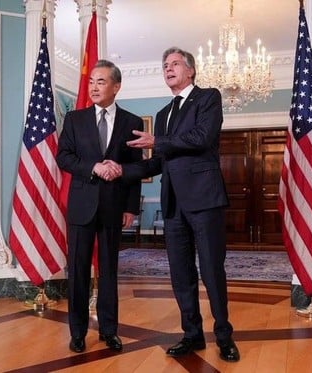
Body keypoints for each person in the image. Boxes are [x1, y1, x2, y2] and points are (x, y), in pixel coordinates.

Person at [123, 47, 240, 362]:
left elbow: (201, 138)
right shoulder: (163, 115)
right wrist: (122, 170)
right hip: (173, 203)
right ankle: (192, 335)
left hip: (204, 200)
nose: (168, 69)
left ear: (190, 70)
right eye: (164, 65)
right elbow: (160, 161)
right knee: (180, 273)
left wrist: (156, 143)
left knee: (212, 271)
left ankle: (225, 337)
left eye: (174, 64)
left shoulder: (208, 98)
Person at [56, 59, 143, 354]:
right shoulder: (74, 119)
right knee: (78, 272)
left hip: (113, 207)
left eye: (101, 82)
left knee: (109, 272)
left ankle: (109, 330)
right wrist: (93, 166)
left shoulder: (132, 122)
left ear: (116, 87)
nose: (93, 87)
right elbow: (64, 157)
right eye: (91, 81)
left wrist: (131, 207)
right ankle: (78, 332)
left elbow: (136, 168)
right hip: (81, 206)